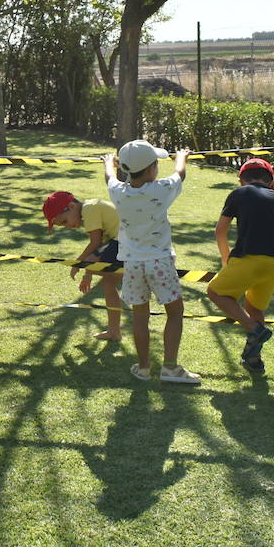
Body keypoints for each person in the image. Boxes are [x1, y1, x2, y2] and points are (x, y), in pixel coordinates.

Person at [104, 140, 198, 385]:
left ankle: (144, 367)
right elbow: (180, 174)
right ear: (151, 169)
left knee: (139, 317)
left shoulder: (118, 192)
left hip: (133, 265)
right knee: (175, 312)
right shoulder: (161, 189)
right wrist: (182, 156)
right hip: (160, 262)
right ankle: (170, 368)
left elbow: (109, 178)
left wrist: (109, 163)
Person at [205, 158, 274, 374]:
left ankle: (254, 329)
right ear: (271, 182)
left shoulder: (239, 193)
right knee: (255, 308)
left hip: (248, 258)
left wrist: (225, 257)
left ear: (241, 180)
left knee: (215, 292)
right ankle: (254, 359)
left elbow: (220, 230)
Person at [43, 190, 123, 342]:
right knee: (108, 283)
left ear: (72, 206)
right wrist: (88, 274)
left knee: (100, 269)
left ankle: (114, 330)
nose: (67, 227)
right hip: (121, 241)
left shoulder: (89, 209)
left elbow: (95, 244)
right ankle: (114, 331)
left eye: (64, 221)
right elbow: (100, 247)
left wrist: (78, 264)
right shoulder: (89, 211)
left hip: (125, 241)